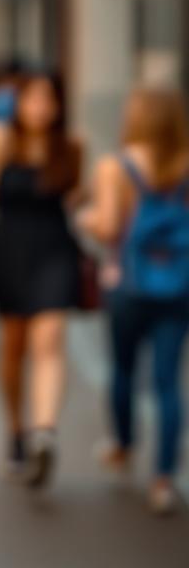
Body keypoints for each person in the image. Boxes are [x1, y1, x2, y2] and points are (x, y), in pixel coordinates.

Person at [0, 70, 82, 488]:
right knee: (13, 348)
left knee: (49, 338)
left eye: (48, 100)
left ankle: (44, 432)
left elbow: (81, 201)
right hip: (9, 249)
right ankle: (17, 429)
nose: (40, 108)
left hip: (55, 248)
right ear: (19, 102)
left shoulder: (72, 147)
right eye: (32, 99)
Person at [78, 87, 189, 515]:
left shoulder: (117, 167)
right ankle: (163, 479)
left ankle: (123, 446)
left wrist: (84, 218)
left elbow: (107, 228)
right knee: (167, 382)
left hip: (127, 285)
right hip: (178, 287)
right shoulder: (183, 164)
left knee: (124, 369)